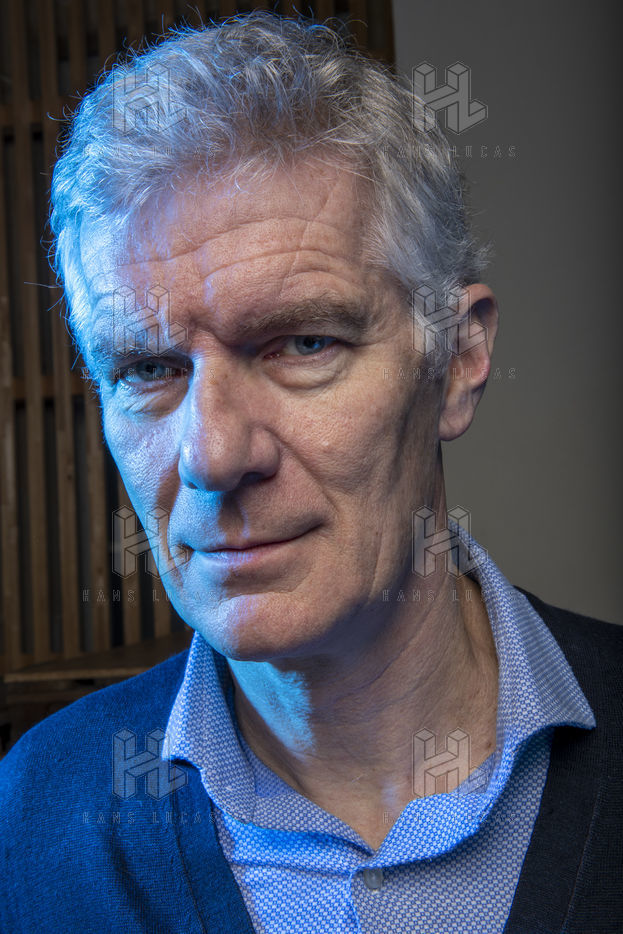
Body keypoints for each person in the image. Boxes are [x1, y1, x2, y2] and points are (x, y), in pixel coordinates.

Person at [0, 12, 620, 933]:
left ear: (456, 360)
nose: (213, 456)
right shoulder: (33, 821)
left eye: (301, 344)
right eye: (149, 369)